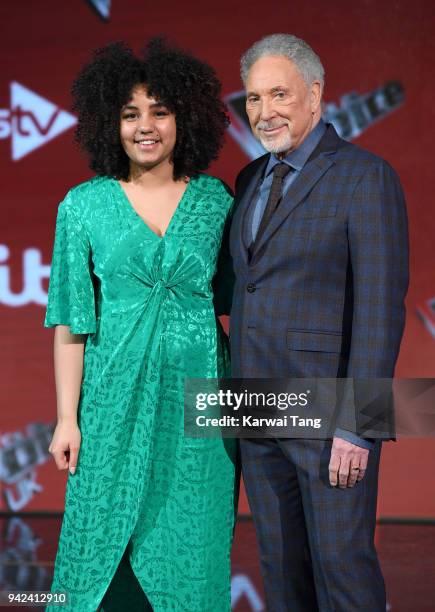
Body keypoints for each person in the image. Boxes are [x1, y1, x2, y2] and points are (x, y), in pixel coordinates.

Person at [44, 38, 237, 612]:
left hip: (200, 403)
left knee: (195, 550)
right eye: (131, 114)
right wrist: (64, 420)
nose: (145, 126)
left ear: (187, 118)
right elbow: (71, 324)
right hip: (109, 404)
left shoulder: (216, 201)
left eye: (160, 111)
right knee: (97, 560)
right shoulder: (83, 205)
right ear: (112, 123)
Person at [229, 34, 409, 611]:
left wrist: (360, 427)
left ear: (315, 94)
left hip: (331, 420)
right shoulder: (249, 179)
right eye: (253, 99)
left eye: (278, 94)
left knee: (342, 570)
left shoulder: (365, 176)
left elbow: (382, 310)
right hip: (255, 411)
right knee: (281, 572)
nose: (264, 113)